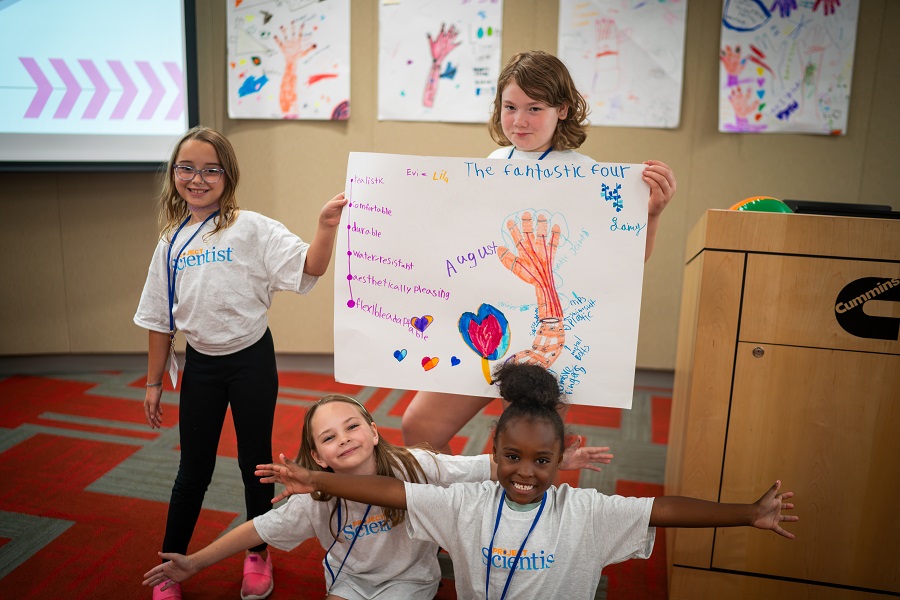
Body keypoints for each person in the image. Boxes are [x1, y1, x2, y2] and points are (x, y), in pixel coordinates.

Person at [258, 362, 798, 600]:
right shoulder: (466, 504)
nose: (525, 472)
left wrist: (748, 513)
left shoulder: (583, 511)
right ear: (491, 452)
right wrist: (316, 480)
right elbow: (389, 491)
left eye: (543, 461)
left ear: (560, 460)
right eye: (512, 456)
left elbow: (664, 509)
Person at [401, 50, 678, 452]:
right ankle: (454, 509)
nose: (519, 120)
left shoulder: (587, 174)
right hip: (489, 329)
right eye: (510, 107)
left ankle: (502, 512)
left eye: (535, 108)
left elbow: (624, 262)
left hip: (551, 340)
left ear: (562, 109)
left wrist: (650, 215)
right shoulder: (493, 163)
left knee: (519, 451)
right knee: (419, 427)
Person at [134, 125, 347, 600]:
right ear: (174, 175)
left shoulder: (252, 227)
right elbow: (158, 319)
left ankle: (258, 552)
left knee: (256, 462)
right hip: (202, 367)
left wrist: (325, 228)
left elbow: (309, 267)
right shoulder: (169, 244)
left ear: (228, 177)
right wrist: (153, 384)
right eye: (186, 168)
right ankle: (171, 564)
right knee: (194, 468)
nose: (197, 178)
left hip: (251, 360)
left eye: (211, 170)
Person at [142, 393, 614, 599]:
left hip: (409, 583)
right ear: (319, 457)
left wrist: (558, 463)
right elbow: (257, 528)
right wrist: (195, 562)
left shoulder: (417, 465)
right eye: (328, 438)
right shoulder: (317, 497)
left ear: (373, 431)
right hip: (348, 582)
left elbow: (483, 466)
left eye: (351, 426)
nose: (343, 439)